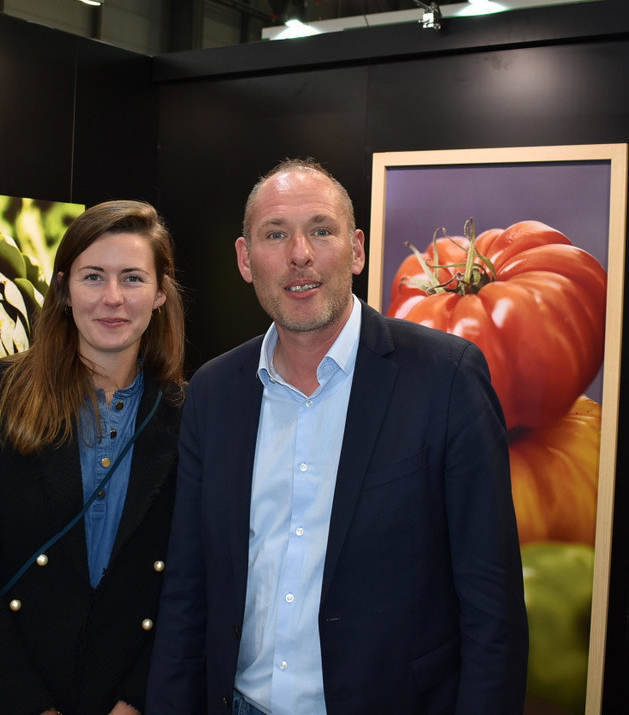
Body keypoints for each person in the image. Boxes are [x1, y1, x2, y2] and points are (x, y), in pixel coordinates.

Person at [147, 159, 528, 715]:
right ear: (245, 259)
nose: (299, 254)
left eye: (321, 230)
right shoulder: (214, 392)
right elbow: (188, 586)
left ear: (356, 250)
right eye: (275, 234)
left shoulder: (445, 379)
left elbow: (492, 605)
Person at [0, 201, 188, 715]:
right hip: (3, 691)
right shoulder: (0, 393)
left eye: (133, 278)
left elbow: (190, 580)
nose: (113, 297)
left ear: (160, 293)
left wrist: (137, 698)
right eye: (93, 276)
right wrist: (28, 707)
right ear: (64, 288)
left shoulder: (187, 414)